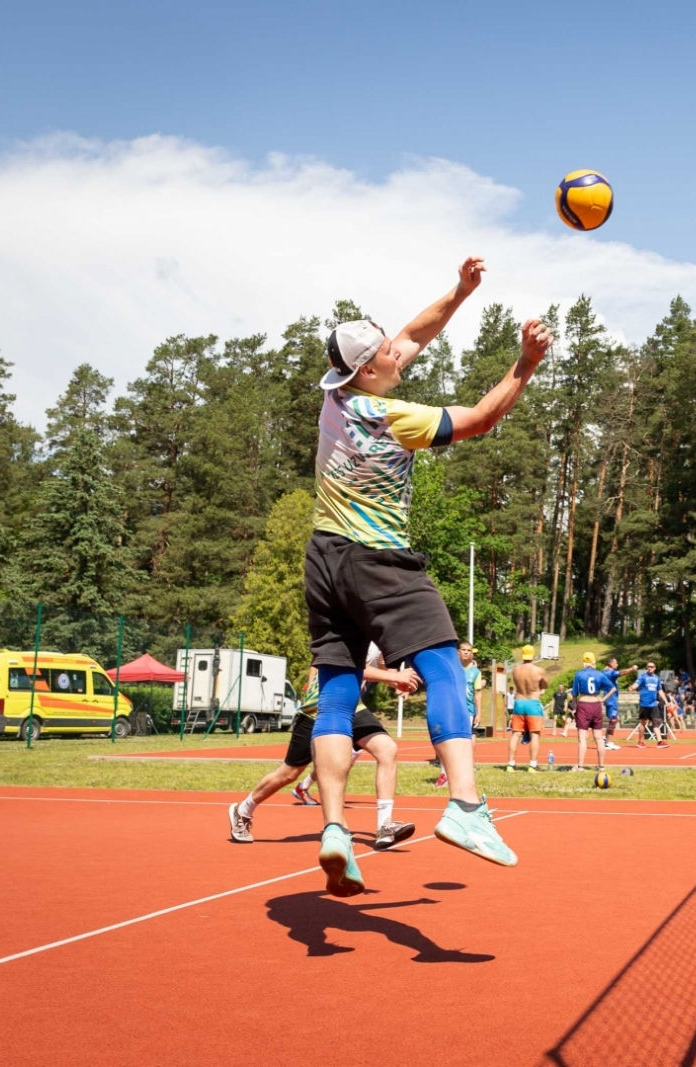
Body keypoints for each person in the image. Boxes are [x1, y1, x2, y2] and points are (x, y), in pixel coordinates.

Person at [303, 258, 547, 894]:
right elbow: (483, 419)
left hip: (323, 557)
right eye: (386, 350)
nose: (398, 348)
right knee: (442, 666)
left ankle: (334, 830)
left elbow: (415, 332)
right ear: (369, 369)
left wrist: (461, 294)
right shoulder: (395, 418)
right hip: (376, 558)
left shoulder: (338, 397)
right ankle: (465, 807)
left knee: (335, 692)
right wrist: (525, 365)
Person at [228, 655, 420, 851]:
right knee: (289, 773)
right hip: (322, 704)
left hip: (352, 704)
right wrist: (394, 678)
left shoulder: (380, 634)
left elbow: (383, 666)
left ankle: (385, 826)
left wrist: (397, 681)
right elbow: (352, 667)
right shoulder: (353, 628)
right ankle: (242, 810)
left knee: (387, 749)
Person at [505, 645, 547, 772]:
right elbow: (545, 685)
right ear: (533, 655)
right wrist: (540, 689)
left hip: (519, 702)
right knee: (535, 735)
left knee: (516, 734)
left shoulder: (515, 670)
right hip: (532, 702)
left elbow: (518, 684)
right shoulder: (539, 670)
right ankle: (533, 765)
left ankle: (510, 764)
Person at [571, 652, 615, 773]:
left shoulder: (579, 674)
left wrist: (575, 708)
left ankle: (580, 766)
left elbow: (574, 694)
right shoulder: (599, 674)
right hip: (596, 704)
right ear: (593, 662)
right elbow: (612, 688)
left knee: (582, 738)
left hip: (584, 704)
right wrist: (602, 699)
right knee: (599, 737)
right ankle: (601, 766)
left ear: (584, 662)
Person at [631, 660, 669, 748]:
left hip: (653, 704)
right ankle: (640, 741)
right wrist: (633, 687)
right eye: (648, 666)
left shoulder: (657, 678)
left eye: (651, 667)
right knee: (643, 722)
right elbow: (636, 684)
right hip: (644, 704)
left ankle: (659, 741)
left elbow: (660, 690)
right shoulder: (643, 677)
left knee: (656, 722)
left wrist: (666, 701)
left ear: (655, 668)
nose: (649, 668)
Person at [602, 657, 634, 751]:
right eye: (615, 663)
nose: (617, 664)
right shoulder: (610, 673)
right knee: (614, 719)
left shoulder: (607, 672)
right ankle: (608, 743)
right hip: (611, 700)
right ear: (610, 664)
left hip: (612, 700)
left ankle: (606, 738)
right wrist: (632, 669)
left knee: (615, 719)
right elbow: (622, 673)